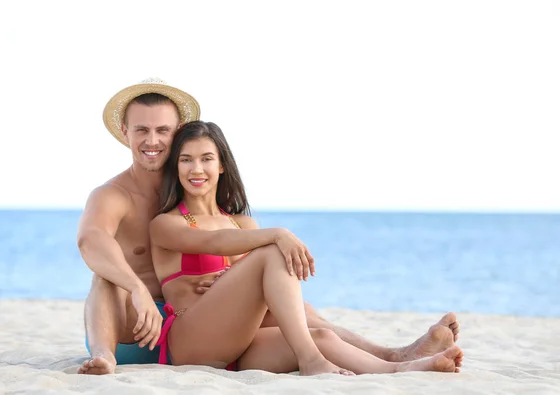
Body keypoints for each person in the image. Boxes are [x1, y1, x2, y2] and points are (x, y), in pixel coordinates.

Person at [77, 78, 460, 375]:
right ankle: (102, 356)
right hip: (138, 331)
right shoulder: (120, 198)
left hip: (221, 330)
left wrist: (229, 281)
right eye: (141, 130)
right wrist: (137, 290)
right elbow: (91, 241)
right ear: (125, 133)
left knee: (311, 324)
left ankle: (396, 358)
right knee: (104, 278)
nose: (152, 140)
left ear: (179, 135)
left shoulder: (209, 201)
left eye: (163, 131)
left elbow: (235, 249)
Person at [148, 120, 464, 375]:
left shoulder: (243, 225)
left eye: (206, 159)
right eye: (186, 160)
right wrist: (279, 234)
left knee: (319, 332)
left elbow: (260, 293)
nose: (196, 169)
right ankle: (311, 360)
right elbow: (210, 242)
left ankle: (399, 362)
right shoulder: (166, 224)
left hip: (241, 348)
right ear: (175, 167)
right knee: (272, 252)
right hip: (193, 342)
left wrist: (234, 283)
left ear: (221, 167)